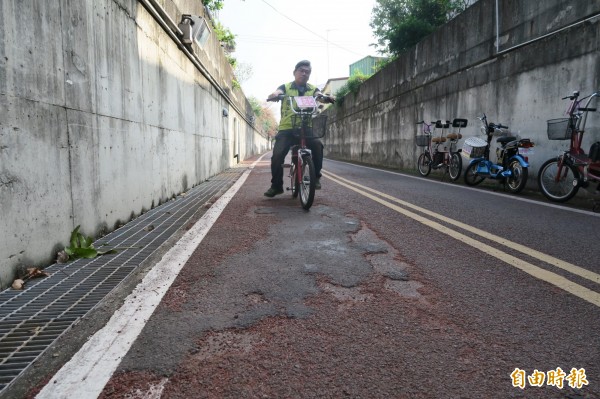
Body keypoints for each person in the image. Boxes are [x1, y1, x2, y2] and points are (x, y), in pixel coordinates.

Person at [264, 60, 334, 197]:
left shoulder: (312, 89)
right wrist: (274, 95)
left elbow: (319, 96)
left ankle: (316, 177)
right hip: (287, 128)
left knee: (318, 145)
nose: (304, 73)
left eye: (307, 72)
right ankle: (276, 185)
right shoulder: (285, 87)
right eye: (301, 70)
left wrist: (327, 98)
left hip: (305, 127)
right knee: (277, 156)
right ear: (294, 72)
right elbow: (277, 92)